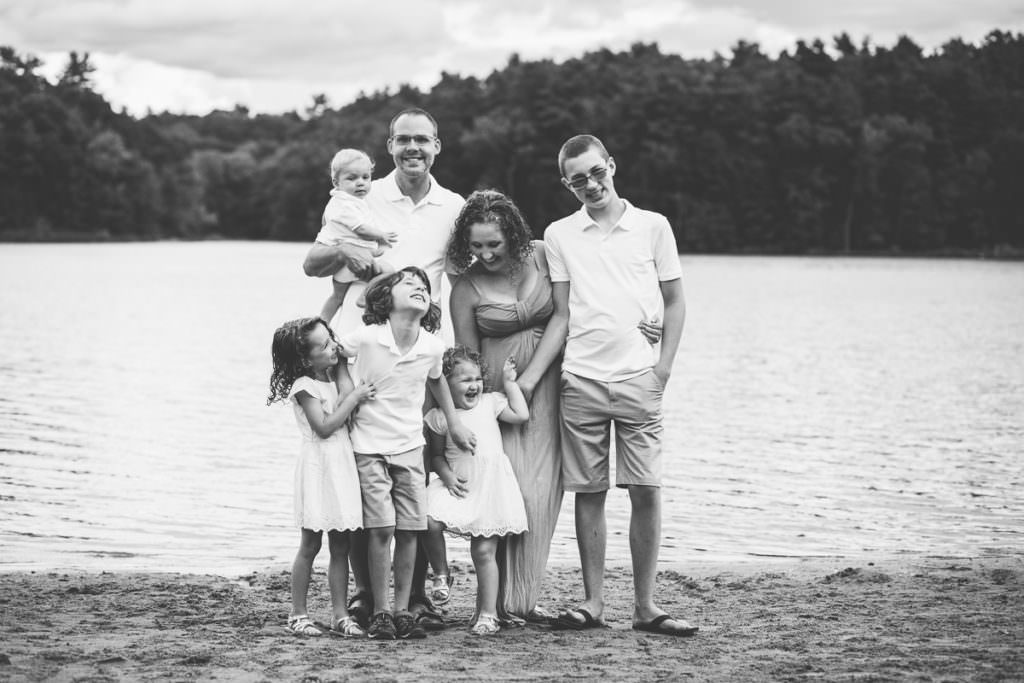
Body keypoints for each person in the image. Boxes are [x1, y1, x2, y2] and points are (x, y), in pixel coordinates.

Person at [302, 108, 470, 631]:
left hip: (419, 355)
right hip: (360, 354)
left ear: (437, 146)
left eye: (422, 140)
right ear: (389, 145)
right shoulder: (360, 194)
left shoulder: (454, 206)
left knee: (412, 477)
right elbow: (312, 262)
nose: (412, 148)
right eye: (403, 140)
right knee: (361, 476)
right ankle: (367, 595)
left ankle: (412, 597)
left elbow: (466, 279)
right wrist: (357, 256)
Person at [536, 134, 698, 637]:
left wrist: (663, 368)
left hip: (639, 379)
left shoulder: (653, 226)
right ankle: (594, 602)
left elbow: (674, 301)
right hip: (581, 379)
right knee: (590, 492)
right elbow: (561, 313)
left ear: (611, 165)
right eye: (578, 179)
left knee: (646, 489)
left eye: (596, 172)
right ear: (567, 184)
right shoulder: (560, 234)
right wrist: (539, 373)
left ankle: (647, 607)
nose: (591, 184)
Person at [335, 267, 473, 641]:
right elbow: (333, 358)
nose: (418, 288)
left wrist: (454, 422)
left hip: (411, 448)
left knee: (411, 529)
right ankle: (380, 612)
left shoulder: (432, 345)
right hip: (368, 448)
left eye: (423, 286)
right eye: (408, 284)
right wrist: (348, 400)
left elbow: (437, 378)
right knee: (381, 529)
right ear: (385, 299)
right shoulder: (366, 337)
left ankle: (403, 612)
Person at [445, 190, 564, 620]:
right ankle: (502, 601)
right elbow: (465, 359)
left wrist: (531, 380)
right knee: (505, 489)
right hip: (497, 394)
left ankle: (524, 595)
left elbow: (567, 314)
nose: (485, 253)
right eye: (476, 246)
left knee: (542, 491)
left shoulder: (544, 256)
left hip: (547, 384)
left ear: (512, 233)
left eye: (493, 244)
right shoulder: (466, 287)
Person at [267, 317, 375, 637]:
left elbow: (346, 395)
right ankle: (298, 614)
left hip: (341, 465)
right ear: (304, 358)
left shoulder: (332, 375)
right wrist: (353, 398)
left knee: (341, 545)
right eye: (325, 345)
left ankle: (340, 614)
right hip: (318, 466)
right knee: (311, 544)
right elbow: (325, 427)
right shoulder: (304, 386)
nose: (333, 347)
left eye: (332, 339)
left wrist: (340, 362)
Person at [423, 346, 529, 635]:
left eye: (477, 379)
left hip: (490, 489)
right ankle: (442, 573)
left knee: (483, 552)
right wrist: (446, 476)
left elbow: (521, 415)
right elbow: (435, 457)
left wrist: (509, 384)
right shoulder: (439, 417)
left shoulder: (489, 403)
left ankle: (488, 613)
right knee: (427, 519)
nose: (474, 385)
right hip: (459, 484)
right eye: (465, 380)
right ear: (445, 383)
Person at [317, 148, 397, 323]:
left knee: (337, 297)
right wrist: (381, 235)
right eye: (352, 178)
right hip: (352, 262)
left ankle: (322, 322)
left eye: (365, 177)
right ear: (336, 182)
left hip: (346, 264)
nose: (360, 183)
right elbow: (360, 229)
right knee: (390, 272)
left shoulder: (352, 202)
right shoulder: (343, 204)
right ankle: (365, 295)